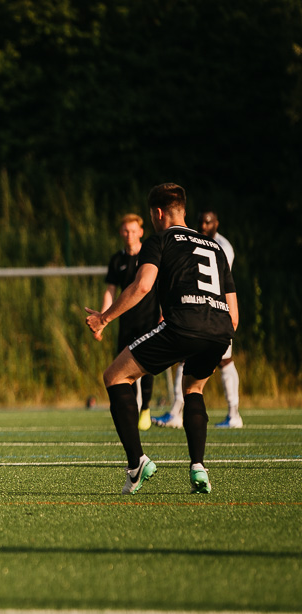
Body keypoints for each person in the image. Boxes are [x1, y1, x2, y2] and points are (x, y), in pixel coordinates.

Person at [86, 183, 237, 495]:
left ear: (157, 213)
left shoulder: (160, 239)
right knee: (193, 388)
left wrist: (104, 318)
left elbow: (142, 286)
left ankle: (136, 464)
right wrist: (217, 338)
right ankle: (198, 467)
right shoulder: (215, 247)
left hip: (183, 324)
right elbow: (234, 313)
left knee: (115, 376)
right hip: (220, 329)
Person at [153, 210, 242, 429]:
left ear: (216, 223)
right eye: (201, 222)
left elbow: (223, 282)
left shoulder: (223, 246)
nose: (203, 226)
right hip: (197, 309)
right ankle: (176, 411)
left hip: (216, 309)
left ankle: (233, 413)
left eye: (208, 222)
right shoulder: (195, 240)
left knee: (224, 361)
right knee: (184, 358)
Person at [98, 213, 159, 431]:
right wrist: (102, 320)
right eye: (125, 231)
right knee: (124, 370)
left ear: (141, 232)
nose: (129, 235)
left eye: (133, 231)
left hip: (149, 320)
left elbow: (158, 286)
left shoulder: (150, 256)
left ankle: (146, 408)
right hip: (126, 323)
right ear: (120, 232)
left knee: (147, 367)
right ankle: (132, 410)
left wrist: (164, 313)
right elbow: (110, 291)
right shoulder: (117, 260)